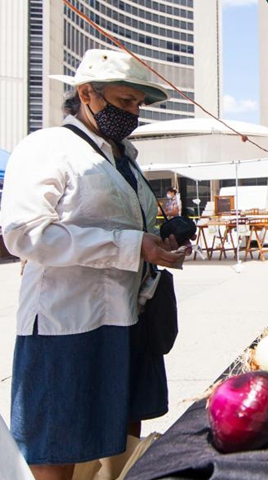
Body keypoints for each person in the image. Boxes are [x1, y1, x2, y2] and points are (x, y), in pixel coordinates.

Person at [0, 49, 191, 480]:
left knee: (120, 430)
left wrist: (160, 243)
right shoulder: (47, 147)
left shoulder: (127, 160)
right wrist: (130, 245)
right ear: (87, 93)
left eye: (139, 105)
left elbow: (130, 227)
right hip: (66, 321)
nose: (134, 112)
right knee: (58, 440)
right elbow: (24, 234)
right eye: (125, 102)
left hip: (126, 316)